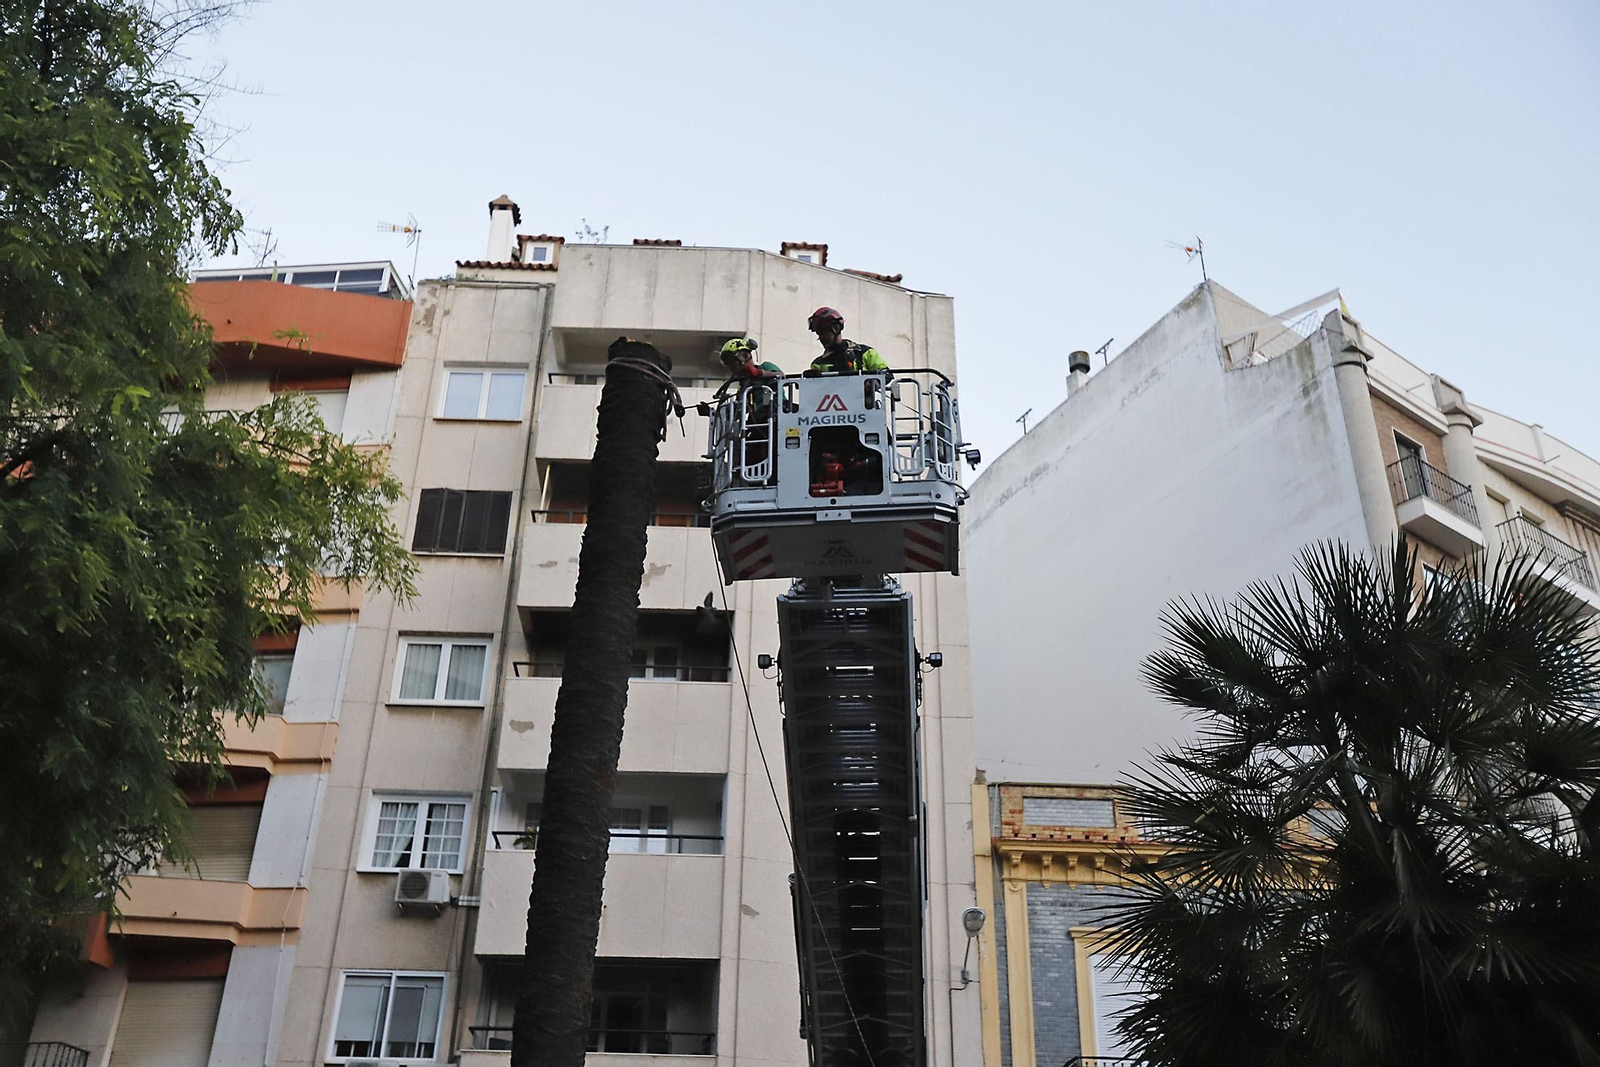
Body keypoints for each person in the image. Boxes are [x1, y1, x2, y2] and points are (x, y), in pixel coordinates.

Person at [804, 307, 889, 375]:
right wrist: (811, 379)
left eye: (823, 332)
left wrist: (871, 384)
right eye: (818, 333)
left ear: (836, 329)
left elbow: (886, 374)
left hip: (860, 397)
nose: (821, 337)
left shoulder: (864, 353)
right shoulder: (818, 364)